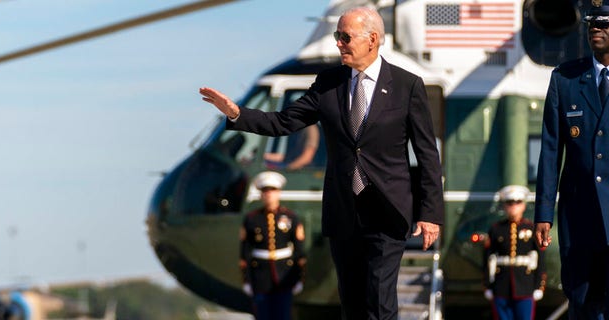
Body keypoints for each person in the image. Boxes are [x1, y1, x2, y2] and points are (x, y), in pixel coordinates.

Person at [200, 6, 444, 319]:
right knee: (353, 302)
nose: (339, 44)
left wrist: (430, 214)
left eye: (345, 37)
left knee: (380, 298)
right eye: (336, 36)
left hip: (387, 210)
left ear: (372, 39)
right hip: (344, 212)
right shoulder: (329, 83)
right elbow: (283, 122)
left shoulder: (407, 86)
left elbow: (427, 154)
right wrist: (237, 113)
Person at [534, 2, 609, 318]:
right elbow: (551, 151)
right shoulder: (564, 80)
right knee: (581, 300)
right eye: (592, 22)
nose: (595, 28)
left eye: (604, 23)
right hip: (578, 217)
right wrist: (543, 213)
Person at [239, 171, 306, 320]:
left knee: (283, 314)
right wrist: (246, 280)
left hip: (284, 275)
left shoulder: (290, 217)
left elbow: (299, 251)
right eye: (265, 191)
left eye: (273, 190)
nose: (269, 194)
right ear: (261, 194)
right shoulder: (252, 219)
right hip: (261, 277)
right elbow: (244, 252)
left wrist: (299, 278)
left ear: (279, 193)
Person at [484, 185, 546, 320]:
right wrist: (488, 285)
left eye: (518, 203)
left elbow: (540, 259)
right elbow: (488, 258)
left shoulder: (531, 228)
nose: (513, 206)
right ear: (505, 206)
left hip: (525, 285)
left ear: (523, 205)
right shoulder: (496, 229)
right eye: (509, 203)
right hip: (501, 285)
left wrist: (539, 286)